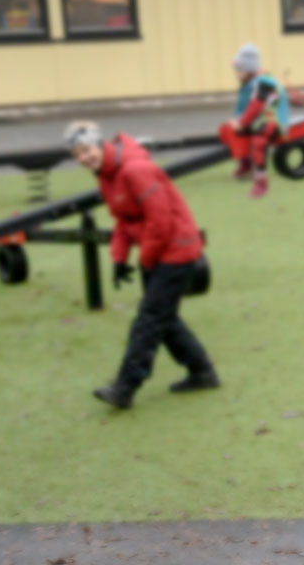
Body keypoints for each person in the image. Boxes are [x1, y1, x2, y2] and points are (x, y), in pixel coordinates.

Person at [67, 121, 220, 408]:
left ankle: (124, 389)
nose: (83, 158)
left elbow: (160, 221)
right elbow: (125, 219)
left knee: (149, 319)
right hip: (158, 250)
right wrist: (118, 259)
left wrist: (146, 260)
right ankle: (202, 371)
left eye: (86, 149)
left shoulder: (134, 170)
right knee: (165, 318)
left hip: (176, 250)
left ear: (99, 144)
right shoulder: (106, 174)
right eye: (77, 154)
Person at [220, 42, 289, 199]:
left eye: (239, 70)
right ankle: (245, 164)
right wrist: (238, 122)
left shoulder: (263, 83)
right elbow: (245, 106)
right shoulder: (250, 83)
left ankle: (261, 181)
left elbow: (256, 106)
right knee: (230, 131)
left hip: (273, 119)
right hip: (259, 118)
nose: (236, 73)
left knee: (258, 142)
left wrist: (242, 123)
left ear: (249, 69)